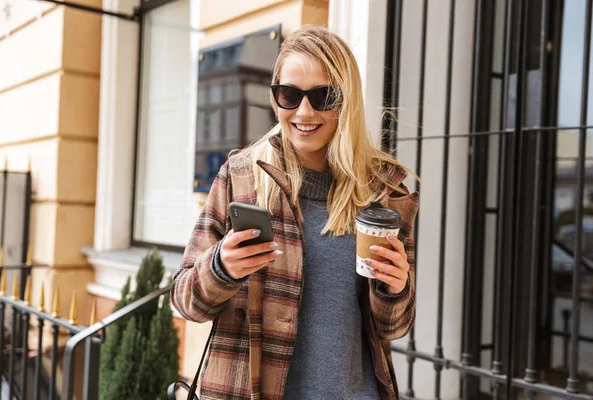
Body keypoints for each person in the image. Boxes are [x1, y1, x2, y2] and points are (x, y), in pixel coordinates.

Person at [171, 25, 419, 400]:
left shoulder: (383, 193)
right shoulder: (241, 179)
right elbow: (186, 300)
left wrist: (395, 289)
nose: (304, 111)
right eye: (289, 94)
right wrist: (221, 267)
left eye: (323, 96)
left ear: (346, 101)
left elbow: (393, 327)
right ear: (276, 99)